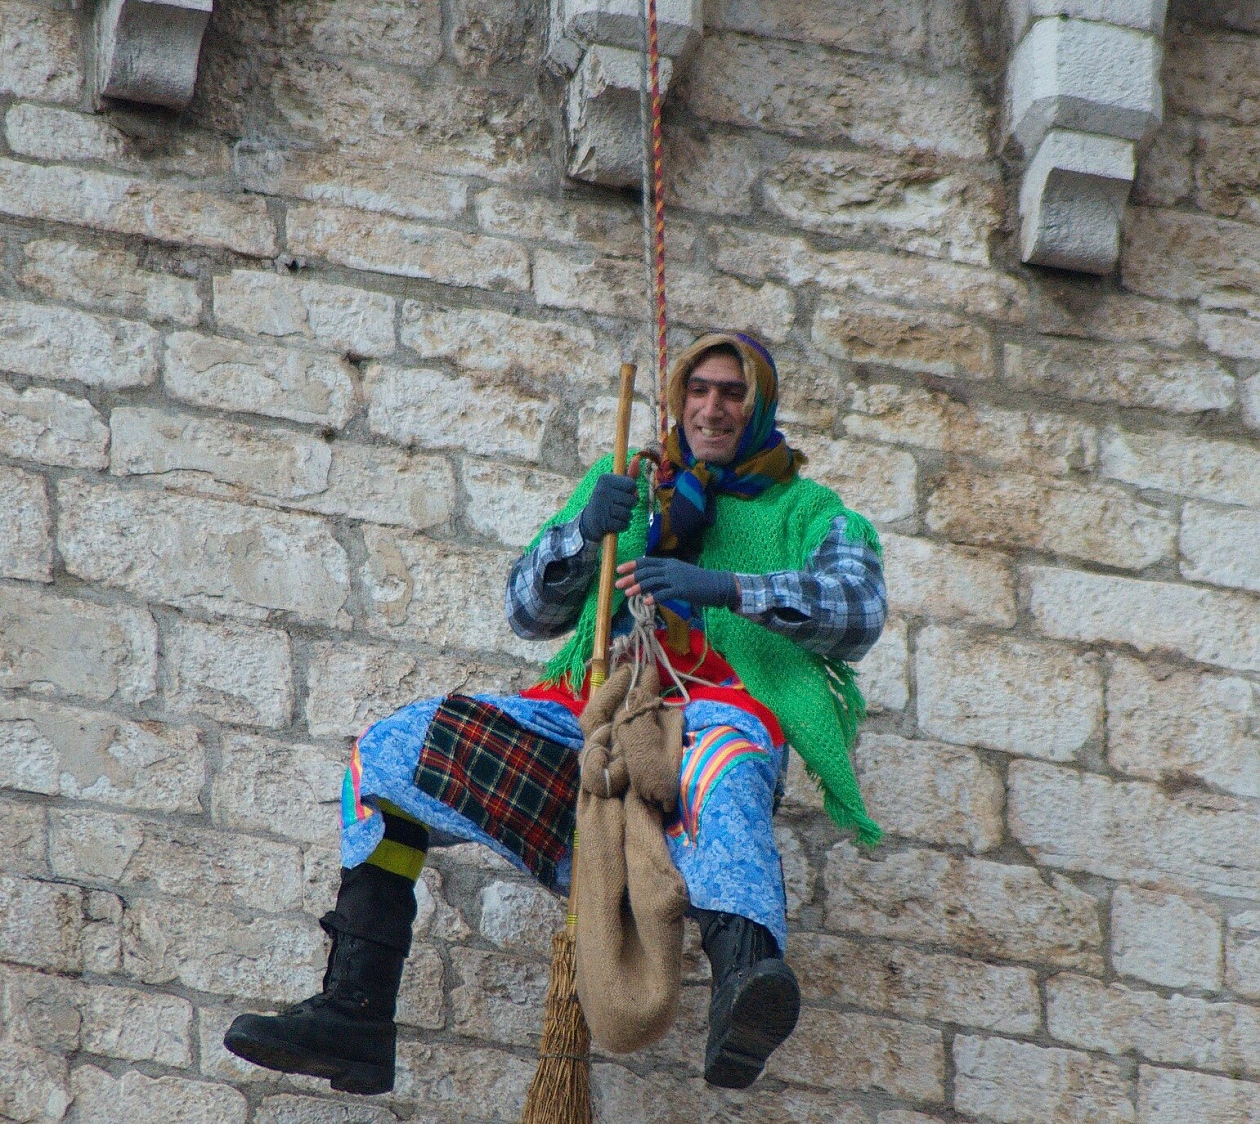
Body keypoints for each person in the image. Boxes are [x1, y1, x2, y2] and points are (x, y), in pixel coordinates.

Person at [224, 331, 888, 1095]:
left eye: (732, 393)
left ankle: (746, 994)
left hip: (715, 715)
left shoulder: (810, 512)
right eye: (698, 389)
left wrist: (728, 589)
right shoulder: (629, 485)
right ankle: (354, 1012)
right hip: (589, 720)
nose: (712, 406)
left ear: (760, 404)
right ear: (677, 398)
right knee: (393, 752)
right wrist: (583, 534)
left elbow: (860, 610)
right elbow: (527, 611)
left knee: (730, 771)